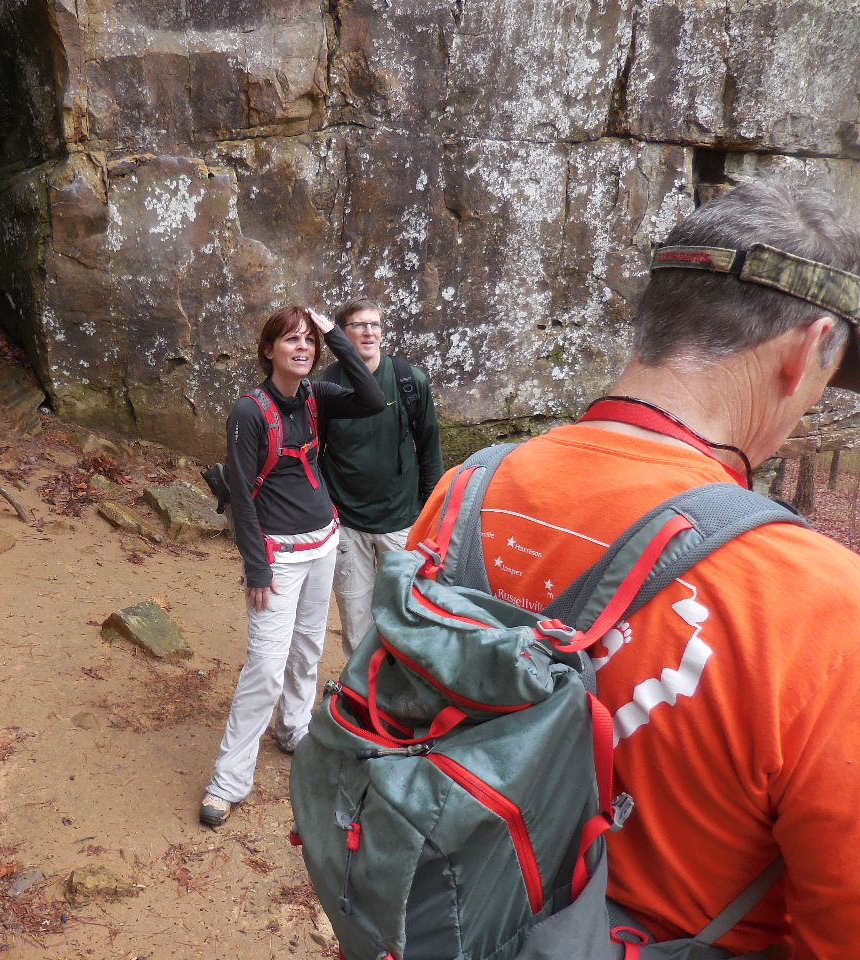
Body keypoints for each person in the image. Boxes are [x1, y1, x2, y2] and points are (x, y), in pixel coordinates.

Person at [406, 178, 860, 958]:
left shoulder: (466, 495)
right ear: (805, 349)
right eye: (829, 373)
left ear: (654, 318)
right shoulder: (822, 606)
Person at [201, 305, 385, 827]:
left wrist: (337, 335)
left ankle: (294, 729)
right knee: (265, 666)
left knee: (307, 648)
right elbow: (241, 495)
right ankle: (228, 781)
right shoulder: (249, 411)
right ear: (269, 350)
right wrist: (257, 569)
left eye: (308, 341)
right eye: (290, 340)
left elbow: (372, 399)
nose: (302, 348)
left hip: (323, 543)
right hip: (277, 556)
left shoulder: (315, 395)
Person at [318, 298, 443, 656]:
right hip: (347, 520)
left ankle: (400, 680)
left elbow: (429, 445)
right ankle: (358, 683)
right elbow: (314, 451)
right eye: (359, 325)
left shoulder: (408, 381)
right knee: (355, 613)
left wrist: (431, 509)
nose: (369, 332)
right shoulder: (327, 385)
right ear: (342, 334)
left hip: (401, 518)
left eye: (375, 324)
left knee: (405, 609)